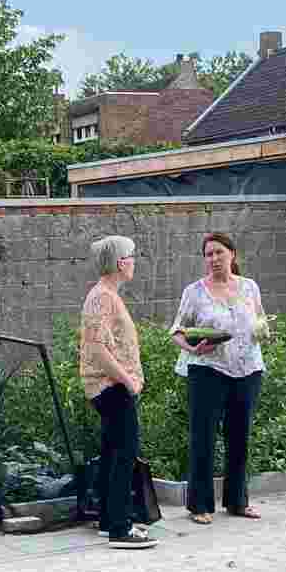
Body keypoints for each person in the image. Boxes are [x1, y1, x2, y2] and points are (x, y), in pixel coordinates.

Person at [169, 230, 271, 524]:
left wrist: (266, 332)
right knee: (203, 437)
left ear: (232, 254)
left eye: (218, 252)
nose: (213, 259)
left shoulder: (250, 287)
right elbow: (177, 330)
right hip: (207, 370)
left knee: (240, 436)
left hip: (248, 369)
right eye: (208, 254)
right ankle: (199, 506)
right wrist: (192, 348)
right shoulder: (195, 292)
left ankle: (238, 502)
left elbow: (260, 320)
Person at [80, 235, 157, 550]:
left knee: (114, 452)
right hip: (110, 386)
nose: (134, 261)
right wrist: (127, 380)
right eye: (132, 256)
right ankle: (121, 530)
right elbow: (97, 350)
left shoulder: (108, 295)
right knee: (125, 453)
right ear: (119, 262)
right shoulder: (102, 297)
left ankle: (110, 519)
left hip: (111, 386)